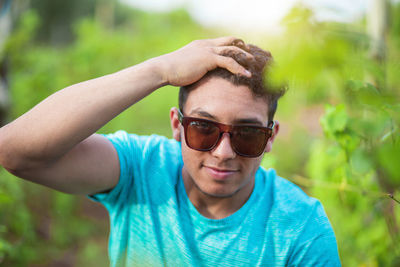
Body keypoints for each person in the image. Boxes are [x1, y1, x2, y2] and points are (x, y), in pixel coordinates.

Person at [0, 37, 341, 266]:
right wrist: (159, 70)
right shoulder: (141, 168)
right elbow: (14, 151)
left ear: (270, 138)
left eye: (247, 134)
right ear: (177, 126)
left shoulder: (301, 229)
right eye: (203, 128)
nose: (223, 152)